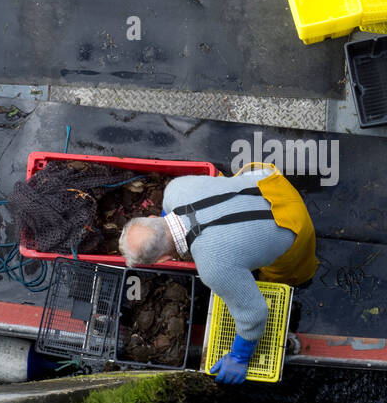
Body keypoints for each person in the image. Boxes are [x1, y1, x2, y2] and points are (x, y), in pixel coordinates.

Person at [119, 165, 317, 386]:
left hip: (292, 222)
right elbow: (171, 215)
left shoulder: (213, 267)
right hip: (270, 183)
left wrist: (239, 357)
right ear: (152, 217)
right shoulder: (175, 189)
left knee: (289, 273)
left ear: (165, 260)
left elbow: (255, 314)